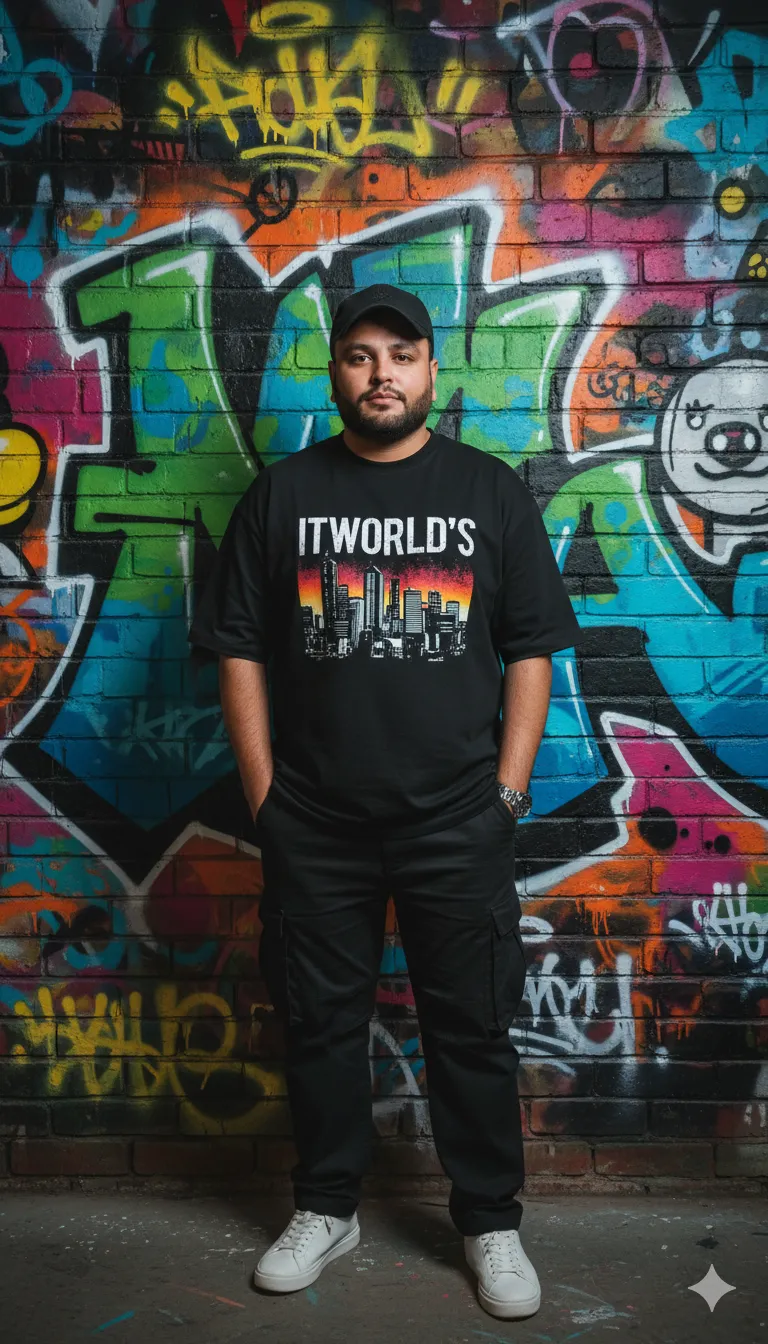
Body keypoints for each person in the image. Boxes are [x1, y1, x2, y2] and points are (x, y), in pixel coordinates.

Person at [188, 283, 583, 1321]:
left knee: (472, 1029)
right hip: (314, 821)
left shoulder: (489, 493)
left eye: (400, 356)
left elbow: (534, 646)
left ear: (432, 374)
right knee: (321, 1024)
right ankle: (327, 1206)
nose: (381, 375)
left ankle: (489, 1220)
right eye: (361, 356)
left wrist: (509, 788)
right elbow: (234, 647)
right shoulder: (281, 497)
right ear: (336, 374)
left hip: (459, 817)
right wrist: (266, 795)